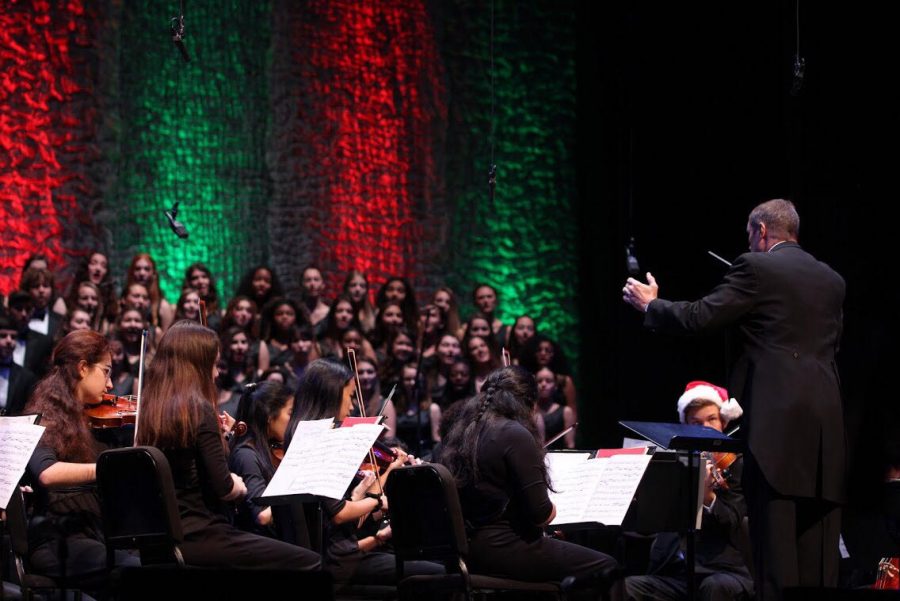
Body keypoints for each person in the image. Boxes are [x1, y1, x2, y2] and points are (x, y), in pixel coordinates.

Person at [622, 199, 845, 600]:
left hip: (777, 435)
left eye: (749, 234)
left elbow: (700, 316)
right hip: (826, 435)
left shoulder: (755, 267)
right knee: (819, 566)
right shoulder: (832, 280)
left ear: (761, 231)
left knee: (775, 567)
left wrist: (651, 305)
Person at [135, 320, 321, 570]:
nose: (216, 373)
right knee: (309, 562)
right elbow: (224, 488)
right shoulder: (198, 409)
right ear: (198, 366)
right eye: (213, 364)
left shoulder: (149, 412)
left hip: (163, 540)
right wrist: (238, 484)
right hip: (203, 533)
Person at [439, 365, 620, 593]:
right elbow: (541, 513)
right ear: (528, 402)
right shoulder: (514, 433)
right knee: (606, 566)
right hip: (503, 549)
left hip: (463, 551)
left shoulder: (462, 432)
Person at [283, 358, 443, 588]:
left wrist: (386, 473)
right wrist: (379, 501)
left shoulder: (300, 438)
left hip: (342, 549)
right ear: (330, 396)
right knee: (439, 574)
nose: (351, 407)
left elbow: (349, 516)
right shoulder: (320, 442)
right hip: (340, 559)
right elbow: (339, 514)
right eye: (348, 397)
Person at [22, 330, 139, 589]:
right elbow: (47, 473)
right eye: (106, 371)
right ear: (83, 368)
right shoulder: (45, 419)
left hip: (95, 533)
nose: (110, 385)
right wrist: (107, 468)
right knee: (136, 571)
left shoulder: (94, 424)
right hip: (57, 539)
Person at [625, 381, 753, 601]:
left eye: (711, 419)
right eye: (696, 422)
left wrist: (708, 496)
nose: (704, 428)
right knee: (629, 587)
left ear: (723, 422)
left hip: (721, 570)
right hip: (677, 573)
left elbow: (732, 520)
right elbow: (648, 526)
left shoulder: (736, 464)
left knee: (714, 587)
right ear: (684, 427)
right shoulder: (672, 465)